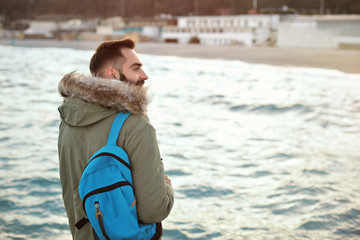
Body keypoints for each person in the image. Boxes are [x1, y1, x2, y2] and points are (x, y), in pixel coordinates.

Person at [57, 38, 174, 239]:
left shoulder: (68, 121)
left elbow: (72, 195)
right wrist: (167, 186)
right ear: (113, 75)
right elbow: (154, 210)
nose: (144, 76)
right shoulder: (135, 125)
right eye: (136, 68)